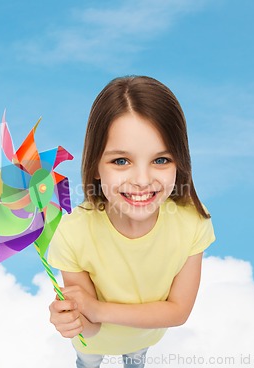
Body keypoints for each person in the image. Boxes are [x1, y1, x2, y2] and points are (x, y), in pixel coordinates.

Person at [47, 76, 216, 368]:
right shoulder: (73, 232)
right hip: (94, 343)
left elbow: (177, 312)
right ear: (95, 165)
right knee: (88, 359)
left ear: (181, 161)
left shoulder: (192, 224)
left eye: (161, 160)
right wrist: (73, 318)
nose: (141, 180)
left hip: (145, 338)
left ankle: (134, 357)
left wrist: (97, 309)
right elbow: (92, 328)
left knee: (137, 355)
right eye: (121, 161)